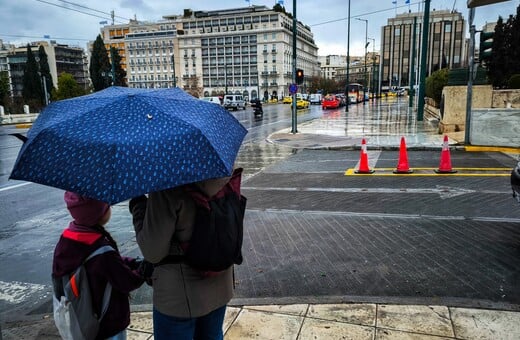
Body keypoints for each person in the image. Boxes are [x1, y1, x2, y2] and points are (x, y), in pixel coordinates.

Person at [129, 175, 233, 340]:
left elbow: (153, 252)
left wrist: (139, 206)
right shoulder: (222, 172)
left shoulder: (165, 183)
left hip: (179, 298)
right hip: (220, 283)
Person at [53, 191, 147, 340]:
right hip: (108, 325)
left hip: (83, 320)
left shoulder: (67, 238)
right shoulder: (102, 250)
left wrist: (130, 262)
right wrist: (143, 270)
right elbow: (126, 281)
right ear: (98, 213)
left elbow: (105, 264)